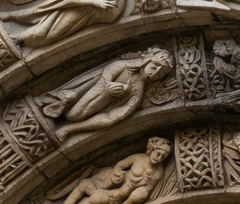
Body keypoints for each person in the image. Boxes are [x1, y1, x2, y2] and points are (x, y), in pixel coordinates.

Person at [40, 48, 173, 140]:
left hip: (94, 109)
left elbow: (113, 117)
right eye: (155, 66)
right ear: (148, 59)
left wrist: (69, 129)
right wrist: (109, 84)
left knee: (74, 116)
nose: (155, 73)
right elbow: (108, 71)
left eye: (161, 73)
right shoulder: (127, 66)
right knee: (71, 105)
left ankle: (69, 127)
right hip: (89, 92)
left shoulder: (138, 92)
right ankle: (53, 102)